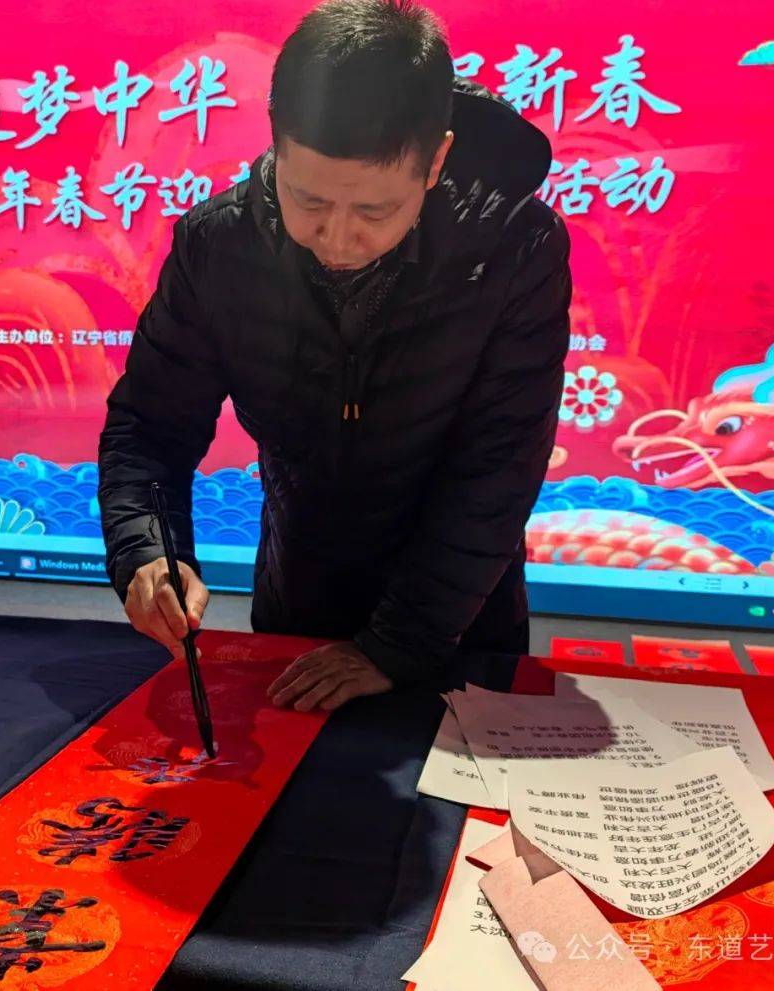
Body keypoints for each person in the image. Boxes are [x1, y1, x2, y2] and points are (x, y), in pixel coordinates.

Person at [98, 0, 571, 713]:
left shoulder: (515, 248)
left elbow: (498, 467)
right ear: (277, 141)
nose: (337, 239)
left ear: (435, 160)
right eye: (308, 200)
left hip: (461, 617)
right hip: (299, 595)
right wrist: (149, 553)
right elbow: (150, 426)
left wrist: (397, 644)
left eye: (374, 211)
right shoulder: (218, 246)